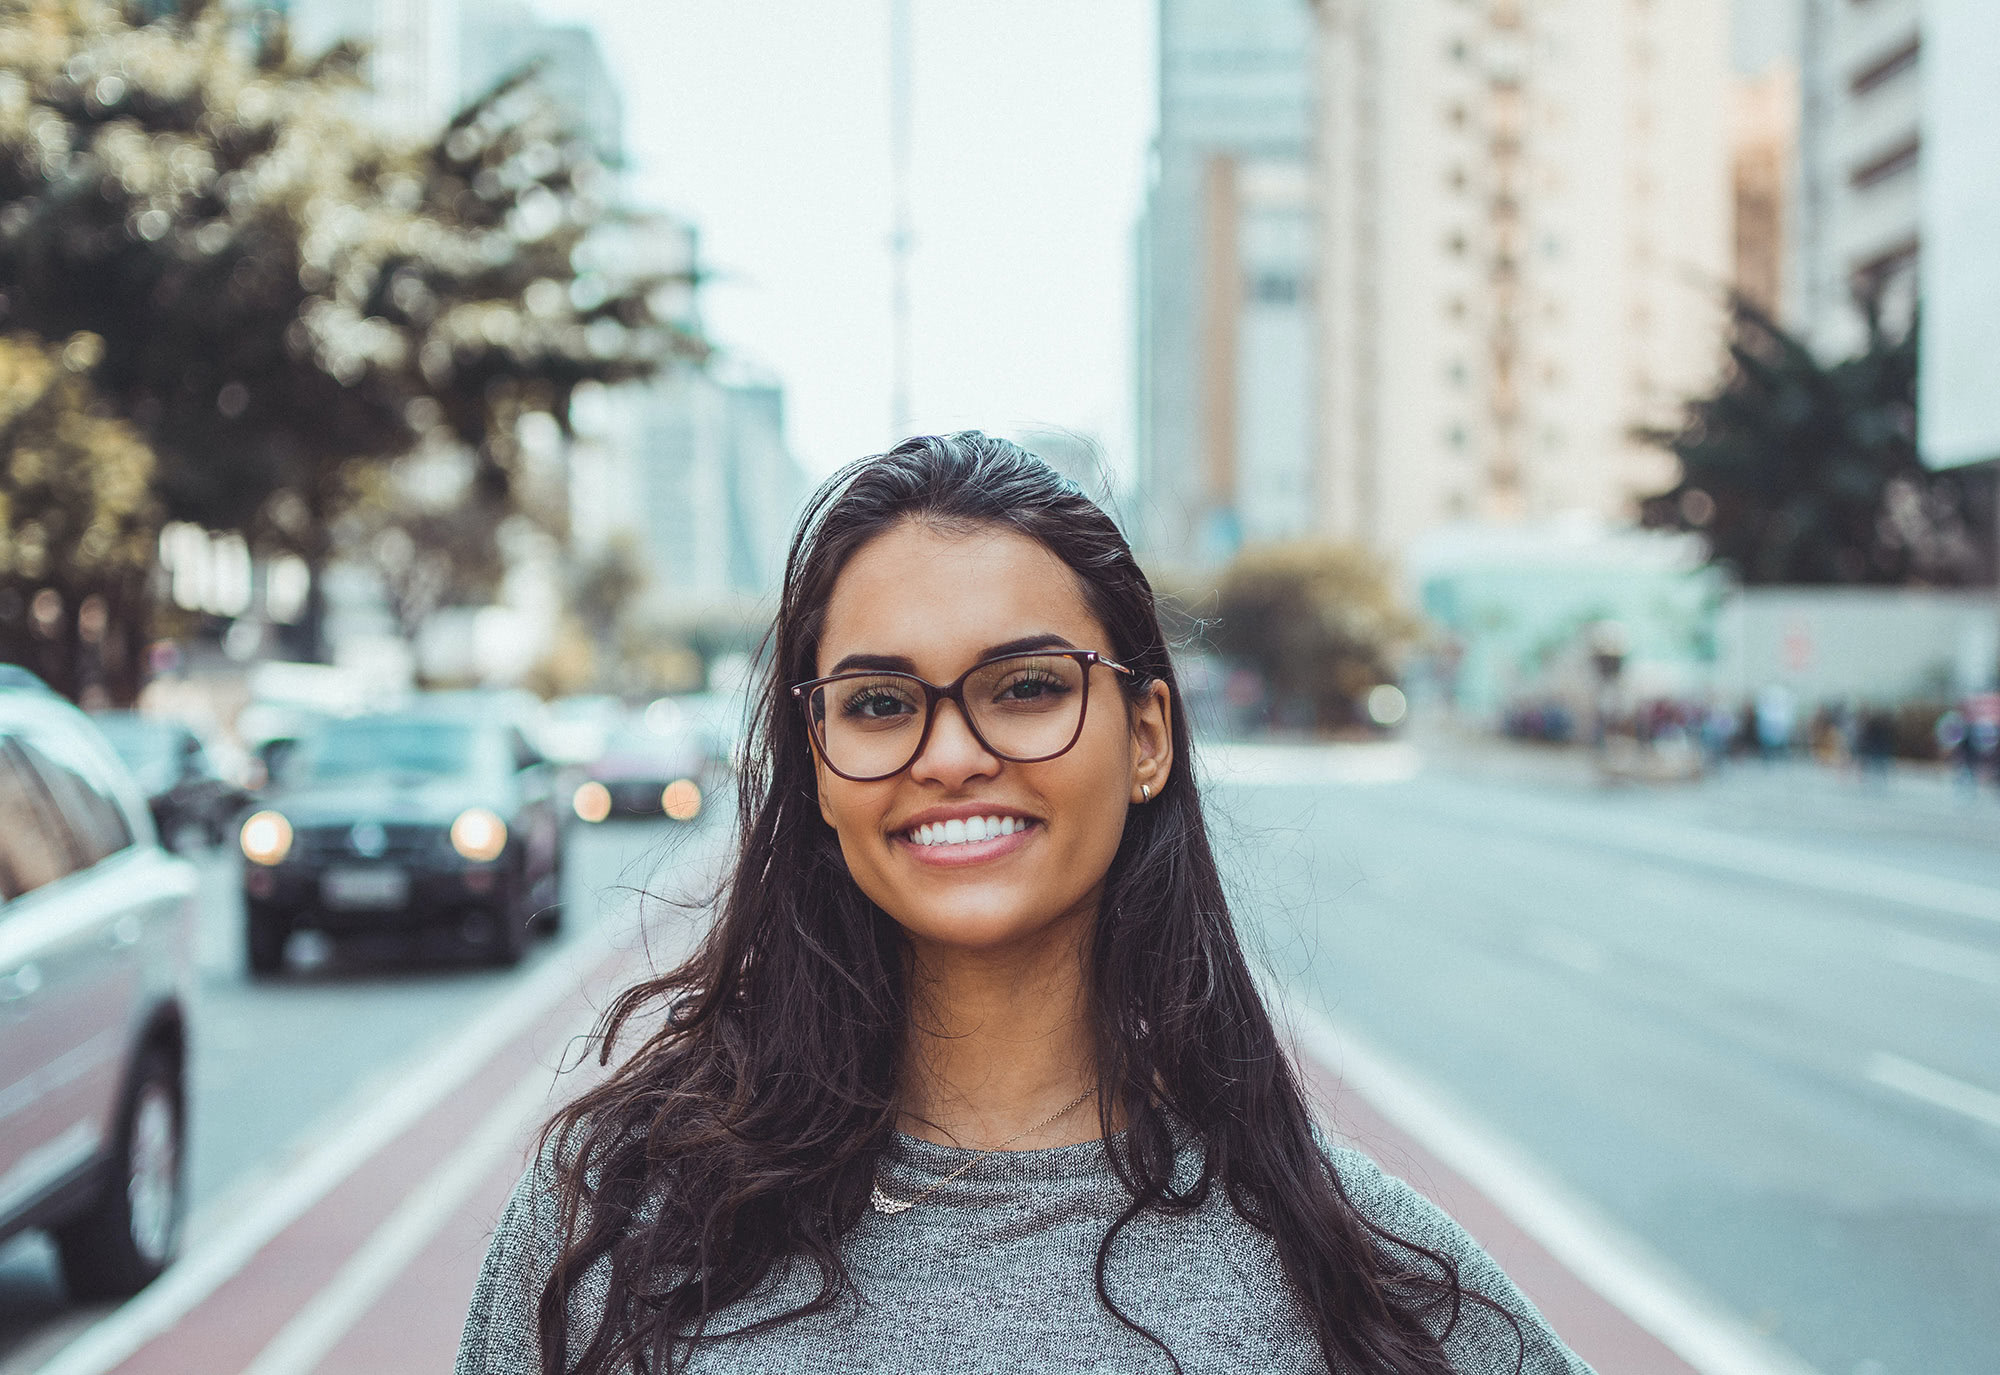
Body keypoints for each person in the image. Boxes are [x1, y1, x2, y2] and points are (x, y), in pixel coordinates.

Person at [456, 433, 1592, 1375]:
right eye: (880, 701)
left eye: (1028, 687)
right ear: (813, 762)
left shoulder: (1354, 1275)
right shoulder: (610, 1223)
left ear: (1144, 737)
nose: (949, 753)